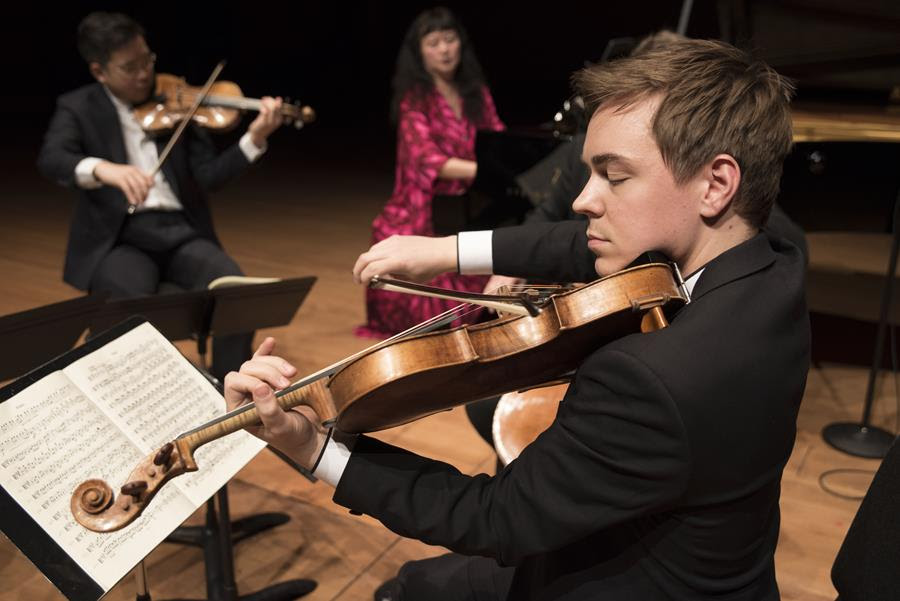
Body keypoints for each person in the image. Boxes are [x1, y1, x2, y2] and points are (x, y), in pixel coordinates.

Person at [227, 38, 810, 600]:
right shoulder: (775, 265)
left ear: (715, 184)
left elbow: (496, 518)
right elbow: (582, 243)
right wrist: (448, 250)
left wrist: (314, 448)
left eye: (614, 175)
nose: (583, 200)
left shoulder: (651, 377)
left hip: (624, 581)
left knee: (411, 586)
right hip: (724, 571)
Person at [37, 12, 285, 380]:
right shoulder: (78, 106)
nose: (144, 74)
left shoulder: (178, 101)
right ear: (99, 71)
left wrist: (255, 139)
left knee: (235, 294)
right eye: (129, 67)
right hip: (121, 239)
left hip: (179, 231)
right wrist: (104, 169)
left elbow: (209, 177)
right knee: (125, 312)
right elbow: (52, 159)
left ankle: (232, 390)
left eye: (147, 60)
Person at [355, 6, 505, 339]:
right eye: (434, 43)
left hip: (472, 196)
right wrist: (487, 171)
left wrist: (504, 168)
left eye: (450, 39)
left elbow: (498, 138)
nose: (444, 49)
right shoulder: (415, 99)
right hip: (423, 202)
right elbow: (427, 159)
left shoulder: (476, 93)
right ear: (420, 52)